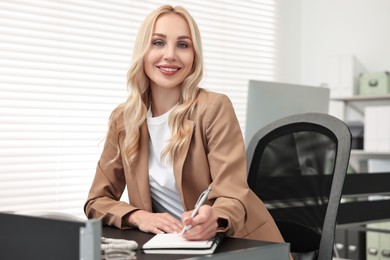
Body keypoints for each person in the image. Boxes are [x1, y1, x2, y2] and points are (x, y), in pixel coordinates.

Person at [84, 4, 284, 243]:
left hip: (239, 244)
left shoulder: (214, 107)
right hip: (175, 247)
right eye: (158, 42)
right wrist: (139, 216)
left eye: (183, 45)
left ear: (194, 56)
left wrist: (215, 218)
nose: (170, 55)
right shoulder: (124, 119)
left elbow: (233, 194)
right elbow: (96, 201)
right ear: (143, 51)